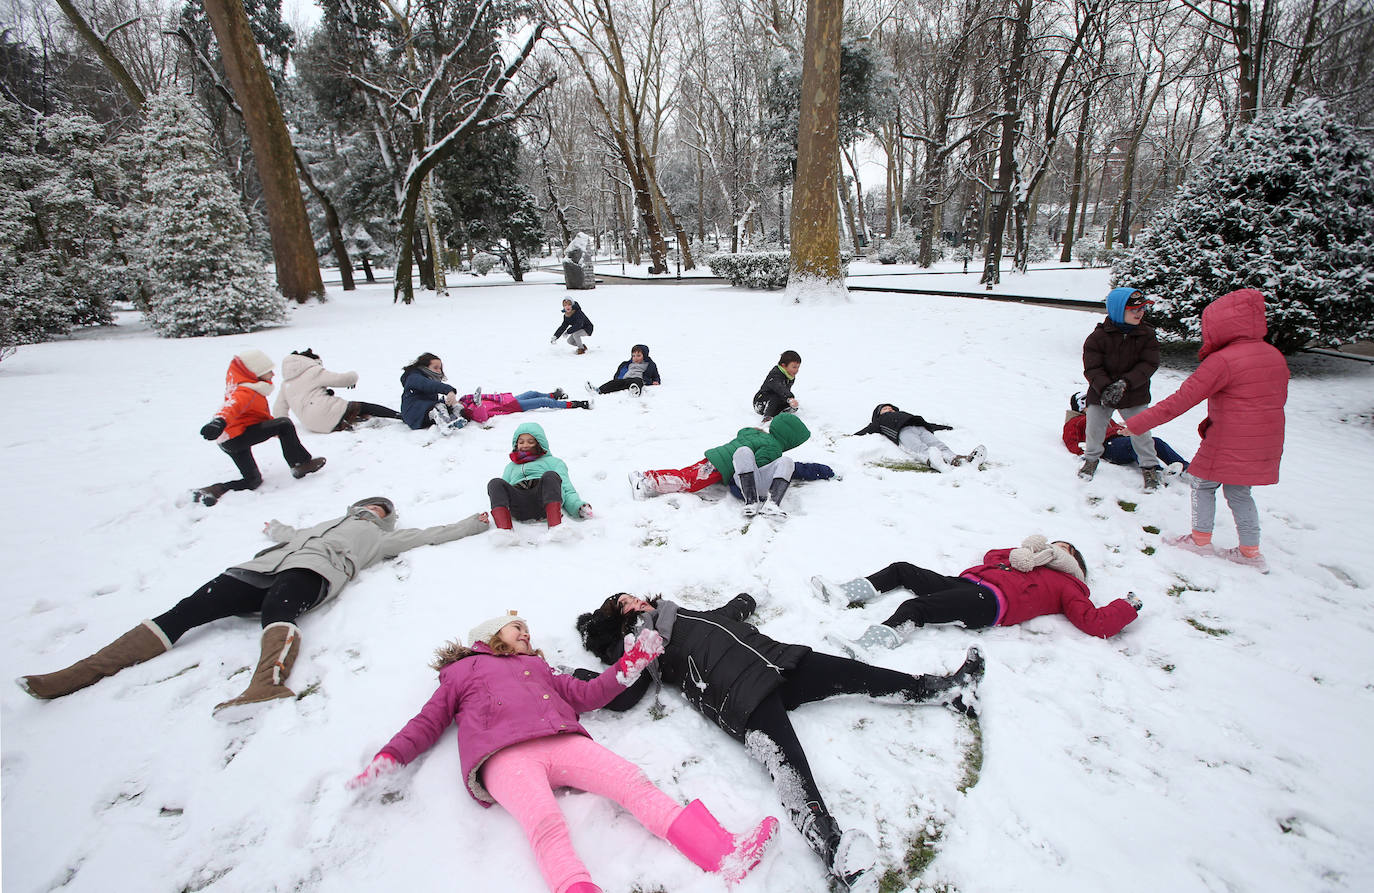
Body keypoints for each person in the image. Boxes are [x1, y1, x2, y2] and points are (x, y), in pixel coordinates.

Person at [576, 591, 983, 892]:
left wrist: (746, 600)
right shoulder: (641, 644)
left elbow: (724, 616)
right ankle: (832, 848)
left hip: (779, 660)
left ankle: (946, 690)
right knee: (789, 765)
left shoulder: (679, 613)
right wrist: (579, 681)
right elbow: (625, 691)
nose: (634, 605)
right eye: (623, 607)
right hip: (740, 694)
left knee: (863, 676)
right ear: (620, 622)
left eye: (632, 598)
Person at [347, 613, 777, 893]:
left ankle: (722, 853)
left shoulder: (539, 668)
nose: (526, 634)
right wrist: (390, 757)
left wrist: (631, 664)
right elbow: (427, 722)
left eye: (528, 631)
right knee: (546, 823)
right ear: (489, 636)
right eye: (517, 629)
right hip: (504, 757)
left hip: (563, 740)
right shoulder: (461, 672)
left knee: (633, 782)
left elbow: (590, 694)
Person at [17, 498, 489, 717]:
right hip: (255, 569)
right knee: (184, 611)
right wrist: (277, 528)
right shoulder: (329, 520)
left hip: (314, 574)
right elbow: (289, 536)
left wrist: (473, 523)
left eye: (382, 510)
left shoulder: (381, 538)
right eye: (369, 506)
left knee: (279, 612)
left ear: (387, 520)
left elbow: (430, 535)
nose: (373, 512)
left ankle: (264, 686)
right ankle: (78, 674)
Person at [1123, 288, 1289, 572]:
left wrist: (1136, 423)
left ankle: (1200, 541)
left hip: (1229, 439)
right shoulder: (1273, 355)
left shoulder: (1223, 360)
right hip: (1266, 439)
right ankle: (1250, 552)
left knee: (1202, 483)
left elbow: (1181, 400)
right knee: (1239, 491)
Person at [811, 535, 1141, 653]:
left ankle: (871, 645)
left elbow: (1094, 622)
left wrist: (1126, 607)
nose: (1057, 549)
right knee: (902, 570)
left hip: (991, 604)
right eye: (1054, 545)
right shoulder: (1028, 561)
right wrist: (1026, 552)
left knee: (917, 607)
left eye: (1065, 550)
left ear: (1073, 562)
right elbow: (991, 557)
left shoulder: (1069, 585)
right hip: (968, 585)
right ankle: (844, 593)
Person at [192, 349, 326, 507]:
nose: (273, 374)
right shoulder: (244, 392)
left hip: (230, 440)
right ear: (254, 373)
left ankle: (214, 490)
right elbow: (230, 408)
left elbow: (255, 417)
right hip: (235, 437)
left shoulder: (250, 390)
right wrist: (218, 422)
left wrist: (275, 431)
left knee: (252, 480)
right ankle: (300, 464)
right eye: (268, 371)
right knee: (284, 423)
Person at [628, 414, 810, 517]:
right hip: (721, 466)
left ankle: (647, 476)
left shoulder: (758, 434)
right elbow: (758, 466)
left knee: (685, 474)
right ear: (790, 439)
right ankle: (645, 483)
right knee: (689, 481)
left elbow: (742, 433)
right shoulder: (773, 447)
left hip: (716, 457)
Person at [1079, 287, 1165, 490]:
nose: (1139, 312)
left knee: (1140, 429)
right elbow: (1092, 367)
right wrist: (1106, 387)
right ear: (1118, 310)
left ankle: (1149, 467)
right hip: (1101, 391)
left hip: (1134, 392)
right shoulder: (1098, 337)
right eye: (1133, 309)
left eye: (1142, 308)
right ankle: (1091, 459)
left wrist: (1125, 383)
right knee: (1095, 426)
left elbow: (1149, 364)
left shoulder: (1147, 335)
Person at [488, 422, 591, 531]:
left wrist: (577, 507)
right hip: (520, 506)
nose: (525, 445)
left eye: (530, 442)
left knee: (550, 476)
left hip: (543, 501)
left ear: (539, 443)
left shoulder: (553, 462)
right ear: (516, 445)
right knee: (495, 483)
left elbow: (566, 487)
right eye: (521, 442)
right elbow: (501, 493)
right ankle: (504, 531)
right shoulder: (511, 467)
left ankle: (555, 528)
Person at [273, 348, 402, 433]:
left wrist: (281, 429)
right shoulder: (313, 371)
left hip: (312, 425)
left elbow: (279, 409)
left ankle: (345, 423)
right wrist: (353, 377)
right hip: (327, 412)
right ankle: (400, 416)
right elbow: (342, 380)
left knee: (338, 407)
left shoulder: (286, 384)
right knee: (363, 406)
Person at [1063, 391, 1188, 470]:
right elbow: (1070, 439)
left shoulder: (1100, 416)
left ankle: (1184, 467)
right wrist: (1082, 453)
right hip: (1109, 446)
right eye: (1087, 404)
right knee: (1135, 446)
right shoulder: (1076, 421)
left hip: (1121, 440)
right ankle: (1154, 471)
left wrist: (1128, 430)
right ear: (1080, 407)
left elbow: (1115, 428)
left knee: (1154, 442)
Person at [853, 403, 986, 471]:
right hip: (902, 431)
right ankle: (933, 460)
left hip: (920, 427)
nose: (889, 409)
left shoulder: (904, 414)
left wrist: (942, 427)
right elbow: (868, 430)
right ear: (878, 414)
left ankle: (957, 459)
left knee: (938, 445)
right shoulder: (880, 421)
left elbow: (929, 424)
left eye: (891, 408)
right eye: (885, 409)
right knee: (917, 447)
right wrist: (853, 436)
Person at [398, 352, 465, 433]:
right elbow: (429, 385)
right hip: (413, 414)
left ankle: (457, 416)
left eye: (440, 368)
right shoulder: (414, 377)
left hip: (424, 414)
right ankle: (445, 424)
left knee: (451, 405)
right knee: (438, 406)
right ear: (424, 367)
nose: (439, 371)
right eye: (435, 368)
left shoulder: (429, 378)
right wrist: (449, 391)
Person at [458, 388, 591, 426]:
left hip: (508, 399)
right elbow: (482, 418)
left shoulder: (466, 400)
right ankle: (574, 404)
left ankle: (554, 395)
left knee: (531, 393)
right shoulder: (471, 411)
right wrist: (478, 404)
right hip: (511, 406)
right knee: (542, 401)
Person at [587, 343, 661, 397]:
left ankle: (635, 390)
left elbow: (655, 375)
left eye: (638, 356)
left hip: (638, 379)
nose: (635, 358)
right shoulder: (628, 364)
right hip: (626, 379)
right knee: (614, 383)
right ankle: (599, 390)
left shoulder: (649, 365)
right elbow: (620, 372)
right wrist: (617, 378)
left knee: (637, 381)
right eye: (633, 356)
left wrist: (655, 381)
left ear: (644, 355)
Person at [752, 350, 800, 420]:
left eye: (798, 367)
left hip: (774, 400)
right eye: (794, 367)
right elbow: (779, 388)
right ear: (783, 365)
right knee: (776, 396)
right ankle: (767, 417)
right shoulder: (775, 375)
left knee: (790, 403)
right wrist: (789, 398)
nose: (797, 370)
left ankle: (781, 411)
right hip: (761, 401)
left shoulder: (789, 375)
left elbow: (785, 391)